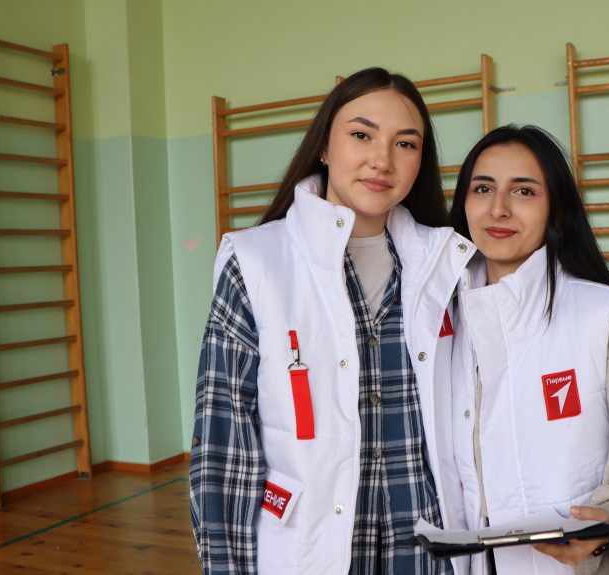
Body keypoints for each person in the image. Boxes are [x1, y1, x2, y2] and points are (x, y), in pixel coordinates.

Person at [189, 67, 475, 575]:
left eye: (405, 144)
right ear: (324, 145)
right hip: (313, 544)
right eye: (362, 135)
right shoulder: (255, 262)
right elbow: (224, 446)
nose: (382, 160)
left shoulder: (451, 264)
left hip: (429, 545)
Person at [447, 125, 609, 575]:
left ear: (556, 211)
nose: (498, 208)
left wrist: (608, 523)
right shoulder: (438, 328)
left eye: (523, 191)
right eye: (483, 189)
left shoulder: (605, 318)